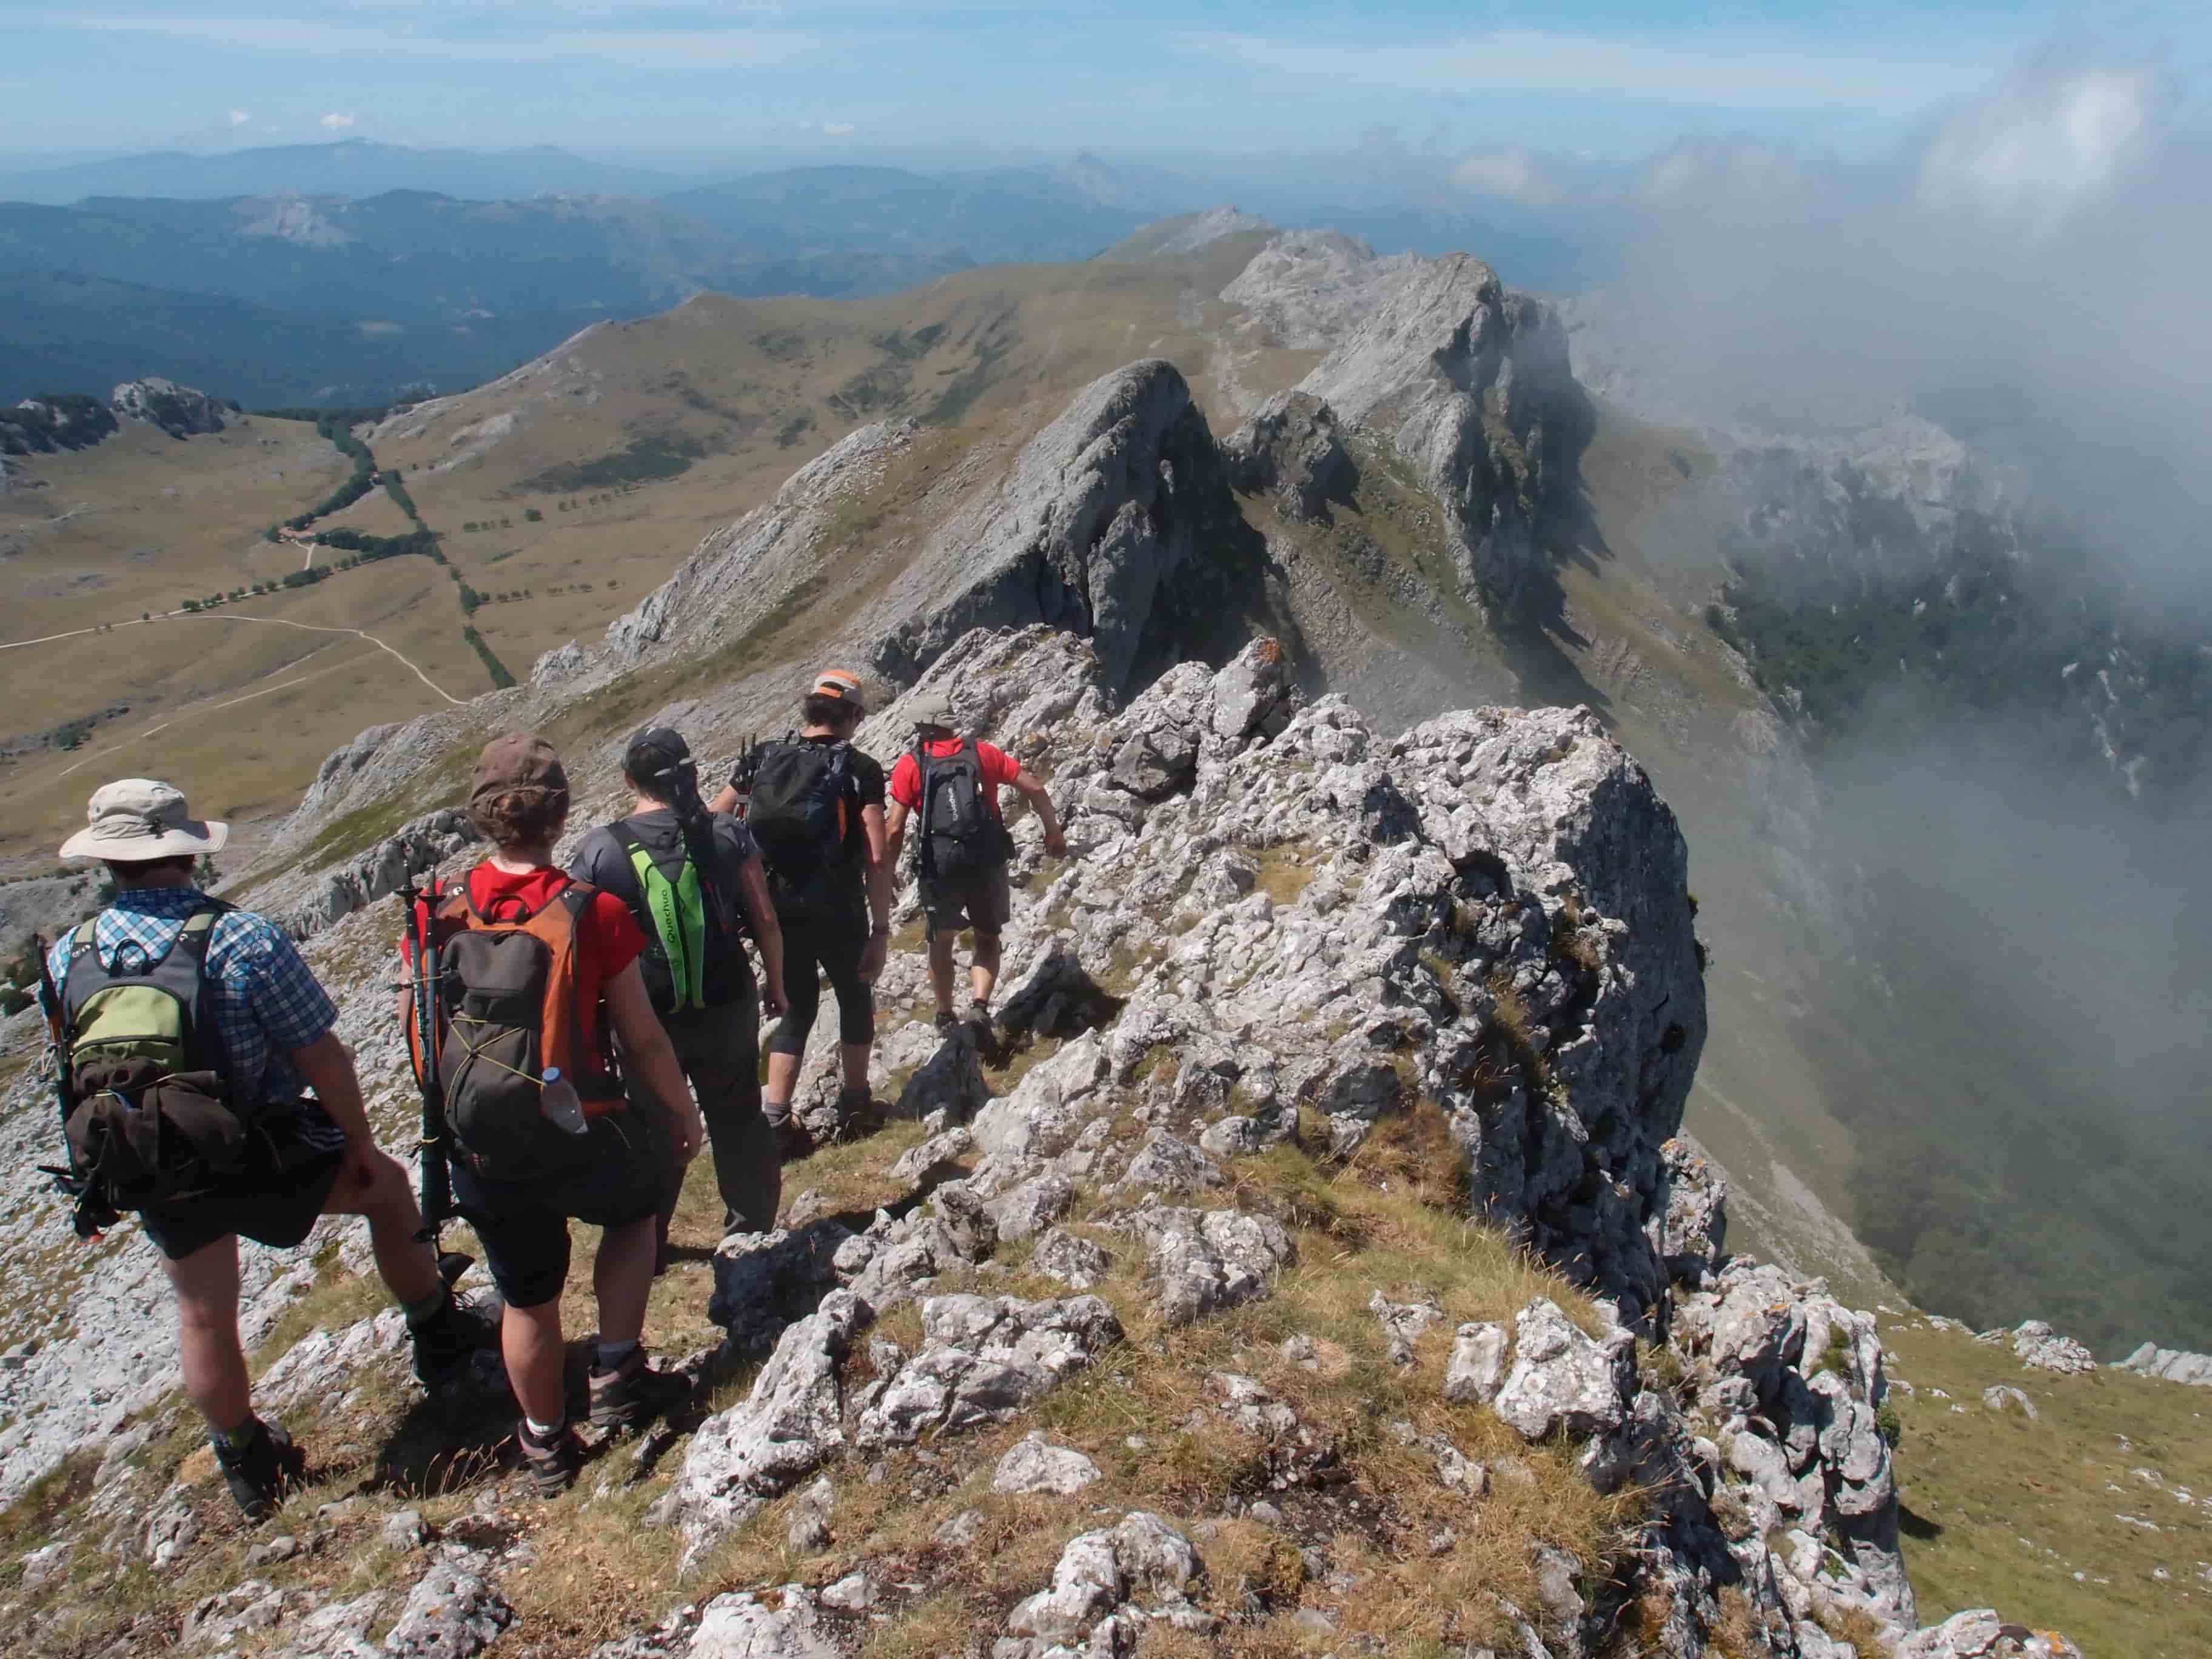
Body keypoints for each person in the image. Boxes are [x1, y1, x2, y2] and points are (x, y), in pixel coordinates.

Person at [46, 779, 491, 1523]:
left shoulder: (69, 955)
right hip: (259, 1150)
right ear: (186, 854)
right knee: (386, 1191)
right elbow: (322, 1055)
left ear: (107, 863)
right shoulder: (241, 938)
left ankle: (247, 1462)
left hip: (151, 1158)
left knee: (202, 1314)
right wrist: (358, 1143)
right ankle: (438, 1335)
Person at [411, 734, 707, 1495]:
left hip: (482, 1143)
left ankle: (544, 1442)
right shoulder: (590, 910)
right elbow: (641, 1037)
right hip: (580, 1127)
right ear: (562, 814)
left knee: (527, 1296)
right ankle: (617, 1372)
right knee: (635, 1215)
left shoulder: (442, 914)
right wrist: (681, 1112)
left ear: (483, 817)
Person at [568, 726, 788, 1250]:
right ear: (691, 772)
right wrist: (777, 985)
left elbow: (577, 940)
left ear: (630, 780)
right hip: (727, 1000)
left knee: (654, 1125)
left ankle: (648, 1242)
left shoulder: (600, 849)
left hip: (643, 1013)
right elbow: (764, 918)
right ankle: (751, 1234)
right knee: (738, 1115)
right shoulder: (727, 832)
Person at [708, 669, 891, 1145]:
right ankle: (856, 1105)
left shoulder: (763, 757)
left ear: (810, 708)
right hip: (838, 908)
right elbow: (876, 856)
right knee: (855, 998)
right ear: (853, 715)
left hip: (774, 911)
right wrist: (881, 930)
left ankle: (775, 1119)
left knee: (796, 1008)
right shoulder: (861, 768)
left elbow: (713, 819)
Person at [883, 686, 1068, 1034]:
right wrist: (1053, 833)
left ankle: (944, 1015)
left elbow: (894, 828)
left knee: (941, 942)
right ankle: (979, 1005)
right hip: (987, 860)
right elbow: (1035, 788)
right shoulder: (982, 753)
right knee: (987, 937)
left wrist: (888, 871)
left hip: (940, 867)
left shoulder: (911, 764)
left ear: (926, 727)